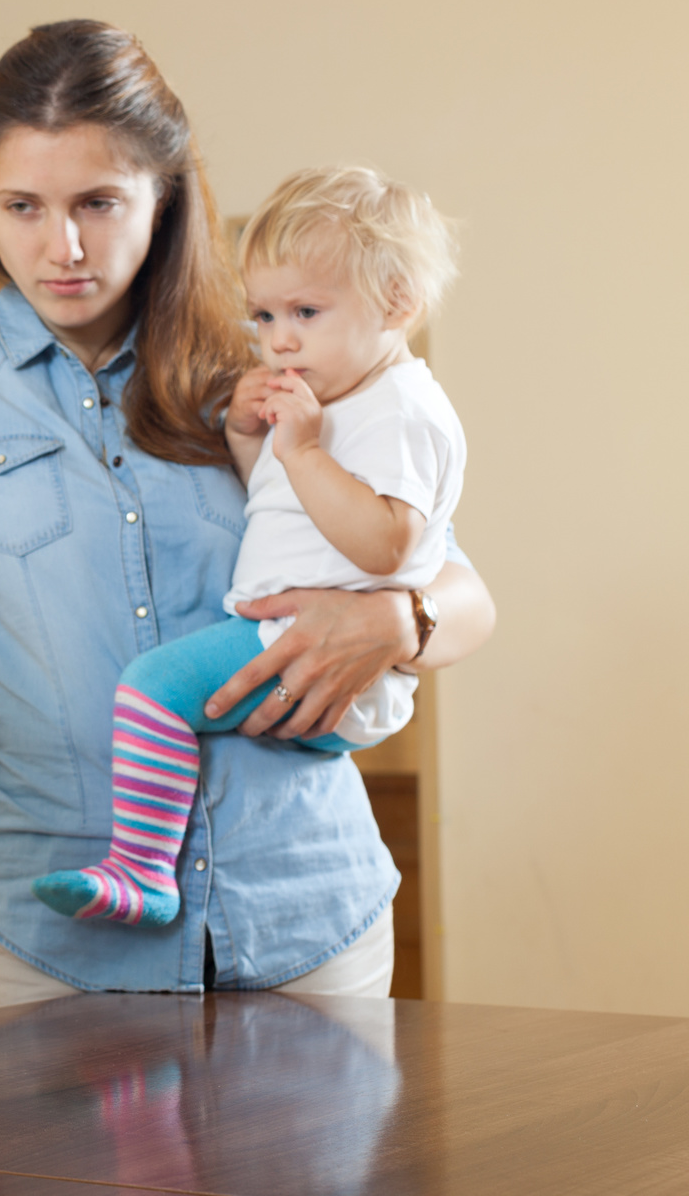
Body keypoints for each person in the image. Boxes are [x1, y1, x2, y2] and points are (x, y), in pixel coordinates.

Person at [0, 21, 495, 1009]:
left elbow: (459, 586)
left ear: (163, 198)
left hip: (308, 918)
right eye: (23, 206)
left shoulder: (265, 363)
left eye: (98, 201)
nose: (64, 246)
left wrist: (398, 620)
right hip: (49, 949)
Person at [35, 165, 466, 926]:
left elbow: (390, 546)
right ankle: (144, 868)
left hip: (304, 645)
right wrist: (249, 440)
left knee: (151, 688)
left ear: (398, 303)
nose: (279, 340)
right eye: (263, 316)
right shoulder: (337, 398)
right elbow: (278, 511)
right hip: (287, 639)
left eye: (306, 311)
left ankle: (140, 872)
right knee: (162, 688)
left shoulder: (400, 410)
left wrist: (303, 453)